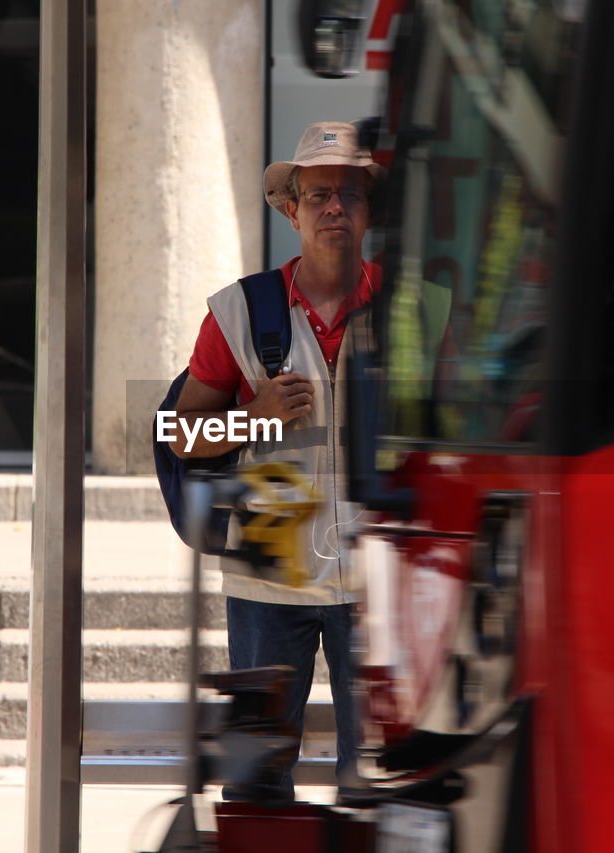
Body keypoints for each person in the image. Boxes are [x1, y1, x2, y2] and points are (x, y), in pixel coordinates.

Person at [173, 120, 385, 800]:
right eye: (318, 193)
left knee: (380, 780)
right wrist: (250, 415)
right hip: (268, 572)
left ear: (369, 208)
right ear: (290, 208)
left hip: (380, 579)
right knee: (254, 781)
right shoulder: (238, 310)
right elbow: (183, 435)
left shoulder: (418, 307)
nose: (334, 208)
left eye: (349, 193)